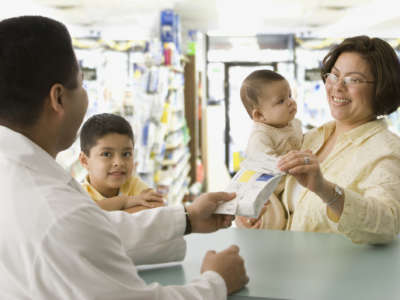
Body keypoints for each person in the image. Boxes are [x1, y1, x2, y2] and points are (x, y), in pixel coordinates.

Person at [0, 16, 248, 299]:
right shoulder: (57, 213)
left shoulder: (17, 175)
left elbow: (94, 233)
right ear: (58, 98)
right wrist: (216, 282)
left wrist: (188, 218)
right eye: (81, 84)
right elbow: (78, 231)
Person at [247, 36, 400, 244]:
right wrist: (254, 214)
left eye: (353, 80)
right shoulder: (311, 138)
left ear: (380, 88)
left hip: (342, 275)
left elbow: (387, 224)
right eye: (334, 75)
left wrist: (325, 189)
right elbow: (290, 207)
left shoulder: (387, 151)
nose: (337, 87)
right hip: (292, 269)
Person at [235, 70, 302, 230]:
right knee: (272, 219)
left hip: (287, 183)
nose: (290, 102)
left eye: (290, 96)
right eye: (281, 101)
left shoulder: (294, 124)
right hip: (266, 188)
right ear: (259, 115)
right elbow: (265, 163)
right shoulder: (260, 135)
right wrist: (290, 164)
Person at [79, 113, 165, 213]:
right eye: (106, 154)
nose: (119, 163)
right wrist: (124, 201)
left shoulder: (134, 185)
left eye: (126, 154)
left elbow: (157, 206)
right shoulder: (79, 194)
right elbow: (85, 213)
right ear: (84, 161)